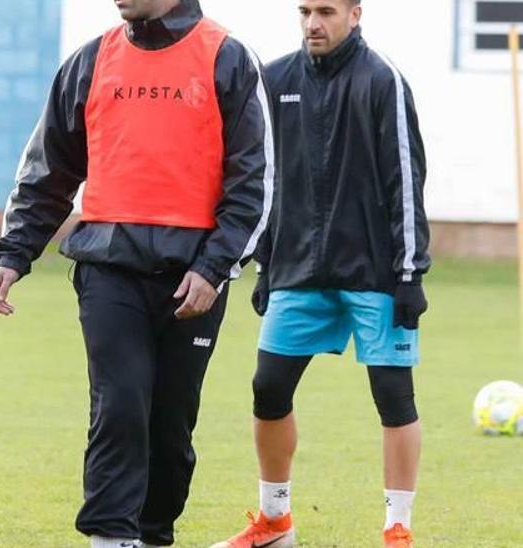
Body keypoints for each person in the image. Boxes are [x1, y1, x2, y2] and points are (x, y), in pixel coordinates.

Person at [0, 0, 273, 546]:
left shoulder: (228, 58)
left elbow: (255, 181)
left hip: (194, 277)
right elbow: (49, 168)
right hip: (108, 269)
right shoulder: (90, 61)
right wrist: (14, 252)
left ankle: (152, 533)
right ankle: (110, 537)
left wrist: (214, 268)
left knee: (170, 425)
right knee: (119, 404)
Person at [210, 1, 429, 547]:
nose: (313, 22)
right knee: (268, 388)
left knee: (393, 396)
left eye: (326, 11)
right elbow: (261, 178)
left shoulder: (383, 81)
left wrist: (409, 274)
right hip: (297, 269)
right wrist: (264, 264)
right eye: (305, 10)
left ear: (355, 14)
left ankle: (396, 528)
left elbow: (405, 180)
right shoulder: (276, 78)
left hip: (374, 273)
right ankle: (275, 521)